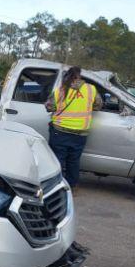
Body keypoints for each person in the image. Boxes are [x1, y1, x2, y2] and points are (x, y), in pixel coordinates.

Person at [45, 66, 102, 194]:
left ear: (67, 76)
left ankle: (55, 187)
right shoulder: (90, 89)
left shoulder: (60, 90)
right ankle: (72, 187)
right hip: (80, 133)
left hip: (59, 132)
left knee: (57, 159)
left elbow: (49, 107)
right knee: (74, 160)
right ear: (80, 77)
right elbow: (98, 105)